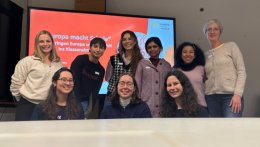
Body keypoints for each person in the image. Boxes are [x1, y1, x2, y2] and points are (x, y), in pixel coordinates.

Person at [10, 30, 63, 121]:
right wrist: (23, 100)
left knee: (46, 135)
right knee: (24, 134)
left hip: (50, 106)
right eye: (41, 41)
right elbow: (16, 85)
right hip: (28, 106)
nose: (45, 44)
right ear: (37, 44)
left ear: (52, 43)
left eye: (48, 41)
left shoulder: (58, 64)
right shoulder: (27, 61)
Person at [203, 19, 246, 117]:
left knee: (231, 129)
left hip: (230, 97)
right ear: (205, 33)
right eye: (209, 29)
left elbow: (241, 71)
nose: (212, 32)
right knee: (217, 130)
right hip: (211, 98)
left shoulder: (231, 46)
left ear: (220, 32)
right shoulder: (205, 55)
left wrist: (237, 94)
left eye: (215, 29)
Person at [135, 37, 171, 117]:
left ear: (160, 48)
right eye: (149, 47)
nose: (152, 49)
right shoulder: (142, 64)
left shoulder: (167, 65)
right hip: (146, 103)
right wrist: (138, 101)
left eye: (155, 46)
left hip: (163, 104)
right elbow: (137, 83)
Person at [70, 37, 106, 119]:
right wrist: (75, 102)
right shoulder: (80, 60)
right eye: (95, 46)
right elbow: (74, 81)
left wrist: (90, 108)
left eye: (101, 48)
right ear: (90, 48)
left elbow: (95, 91)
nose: (98, 49)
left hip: (85, 102)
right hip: (72, 100)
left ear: (104, 51)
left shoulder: (101, 70)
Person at [105, 30, 143, 96]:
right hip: (113, 96)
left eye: (130, 39)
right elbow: (107, 78)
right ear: (121, 43)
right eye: (124, 39)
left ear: (134, 42)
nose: (127, 41)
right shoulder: (114, 59)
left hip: (131, 96)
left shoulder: (140, 61)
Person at [174, 42, 208, 114]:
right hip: (182, 108)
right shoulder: (175, 70)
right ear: (180, 55)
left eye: (191, 52)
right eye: (185, 52)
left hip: (201, 106)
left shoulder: (202, 69)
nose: (188, 54)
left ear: (195, 55)